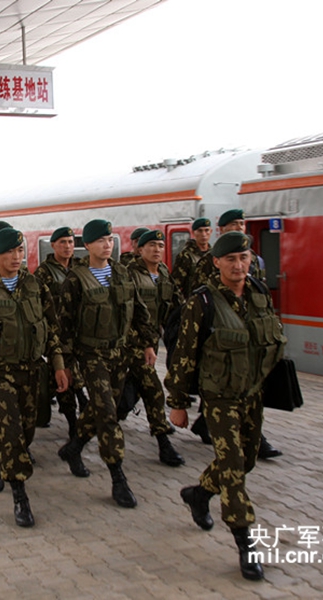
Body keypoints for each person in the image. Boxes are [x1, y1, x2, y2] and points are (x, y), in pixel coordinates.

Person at [165, 231, 286, 581]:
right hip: (219, 399)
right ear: (216, 262)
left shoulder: (260, 295)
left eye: (243, 258)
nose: (238, 265)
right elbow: (184, 356)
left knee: (245, 460)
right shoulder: (202, 303)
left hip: (253, 395)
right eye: (230, 259)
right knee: (232, 466)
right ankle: (245, 542)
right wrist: (178, 403)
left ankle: (199, 493)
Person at [0, 227, 68, 527]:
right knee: (10, 431)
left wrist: (58, 364)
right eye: (9, 252)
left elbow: (52, 327)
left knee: (26, 433)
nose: (15, 257)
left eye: (20, 252)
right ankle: (20, 497)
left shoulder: (35, 285)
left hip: (32, 369)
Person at [56, 219, 157, 508]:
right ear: (86, 245)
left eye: (110, 240)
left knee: (102, 408)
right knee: (108, 415)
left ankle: (74, 448)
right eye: (100, 241)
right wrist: (65, 364)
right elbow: (63, 326)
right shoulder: (75, 280)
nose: (107, 245)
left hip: (120, 355)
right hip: (91, 356)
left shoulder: (123, 273)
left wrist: (148, 344)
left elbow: (139, 312)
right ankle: (118, 477)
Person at [187, 209, 281, 459]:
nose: (239, 227)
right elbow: (194, 293)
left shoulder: (254, 260)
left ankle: (213, 425)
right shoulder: (208, 261)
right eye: (233, 225)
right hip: (218, 331)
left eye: (242, 223)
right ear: (222, 229)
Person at [122, 230, 184, 466]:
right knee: (153, 390)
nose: (157, 250)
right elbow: (129, 314)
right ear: (140, 249)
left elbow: (175, 304)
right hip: (132, 342)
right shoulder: (129, 274)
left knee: (119, 397)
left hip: (150, 342)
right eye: (152, 246)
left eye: (160, 245)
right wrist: (147, 342)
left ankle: (80, 439)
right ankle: (163, 443)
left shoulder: (165, 273)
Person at [33, 226, 84, 438]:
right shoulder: (43, 272)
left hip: (80, 333)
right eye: (62, 242)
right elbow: (38, 306)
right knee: (67, 377)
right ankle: (73, 423)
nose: (67, 246)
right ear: (53, 245)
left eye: (71, 242)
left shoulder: (81, 268)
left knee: (74, 376)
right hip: (57, 334)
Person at [171, 217, 212, 299]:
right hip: (193, 302)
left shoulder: (214, 255)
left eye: (206, 230)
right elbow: (175, 285)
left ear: (211, 232)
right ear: (193, 233)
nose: (204, 234)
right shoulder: (186, 256)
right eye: (200, 231)